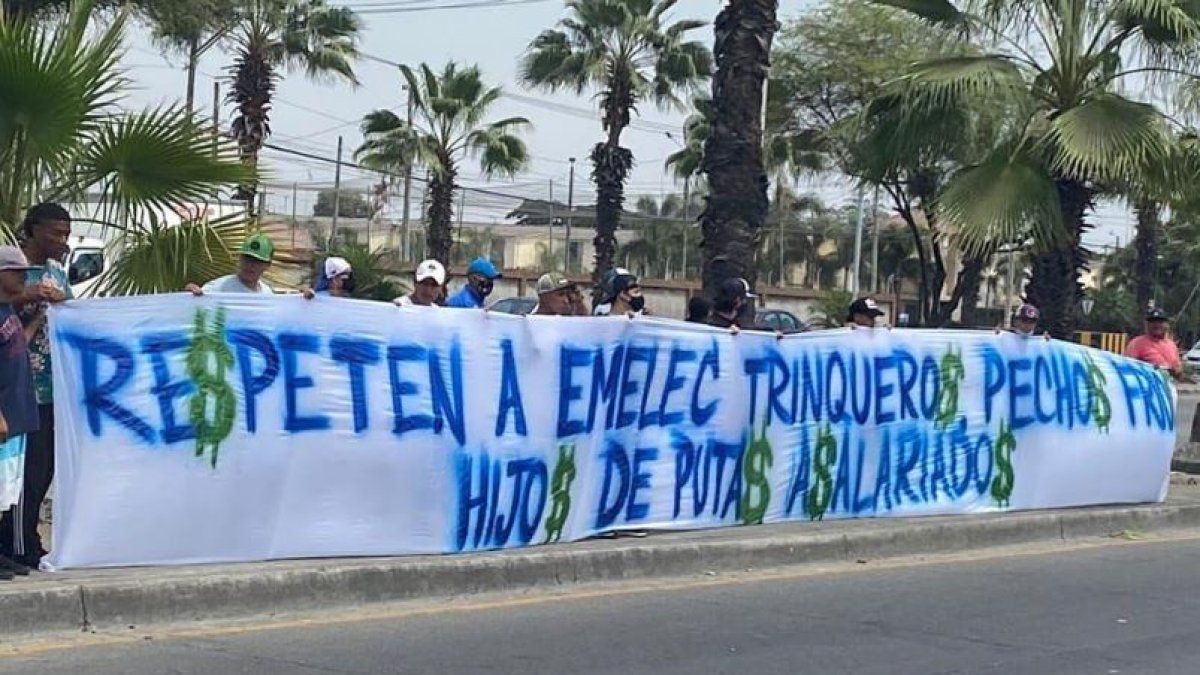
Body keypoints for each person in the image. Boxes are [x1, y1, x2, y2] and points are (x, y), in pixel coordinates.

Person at [0, 204, 70, 572]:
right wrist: (30, 295)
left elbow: (70, 313)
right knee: (15, 472)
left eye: (67, 234)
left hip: (49, 385)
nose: (63, 240)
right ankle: (12, 541)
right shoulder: (12, 267)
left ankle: (26, 536)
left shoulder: (57, 272)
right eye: (56, 232)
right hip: (13, 386)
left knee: (41, 470)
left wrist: (62, 303)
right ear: (33, 230)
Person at [0, 247, 41, 579]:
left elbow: (17, 346)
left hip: (18, 412)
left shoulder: (7, 313)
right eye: (17, 272)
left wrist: (38, 320)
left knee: (7, 490)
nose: (24, 278)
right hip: (3, 414)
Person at [186, 234, 276, 295]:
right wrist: (188, 294)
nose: (250, 265)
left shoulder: (267, 294)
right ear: (240, 258)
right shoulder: (220, 287)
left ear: (267, 265)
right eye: (247, 258)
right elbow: (194, 307)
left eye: (257, 261)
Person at [1126, 307, 1184, 379]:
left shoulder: (1171, 345)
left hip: (1166, 387)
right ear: (1147, 324)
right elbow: (1127, 368)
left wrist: (1174, 371)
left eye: (1160, 321)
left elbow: (1179, 373)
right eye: (1152, 321)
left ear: (1167, 324)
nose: (1156, 324)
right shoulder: (1137, 343)